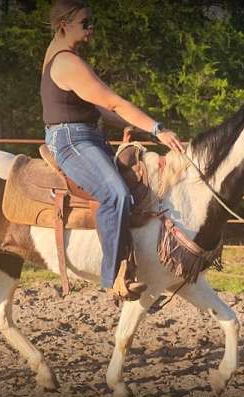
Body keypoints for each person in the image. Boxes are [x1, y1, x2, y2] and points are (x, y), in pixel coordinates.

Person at [41, 0, 185, 300]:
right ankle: (115, 276)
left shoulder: (63, 55)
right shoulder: (67, 62)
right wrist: (157, 129)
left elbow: (98, 107)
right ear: (64, 25)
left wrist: (136, 124)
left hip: (87, 135)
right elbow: (113, 102)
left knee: (137, 186)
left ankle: (141, 261)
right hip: (72, 141)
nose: (91, 28)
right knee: (115, 193)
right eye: (85, 23)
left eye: (91, 22)